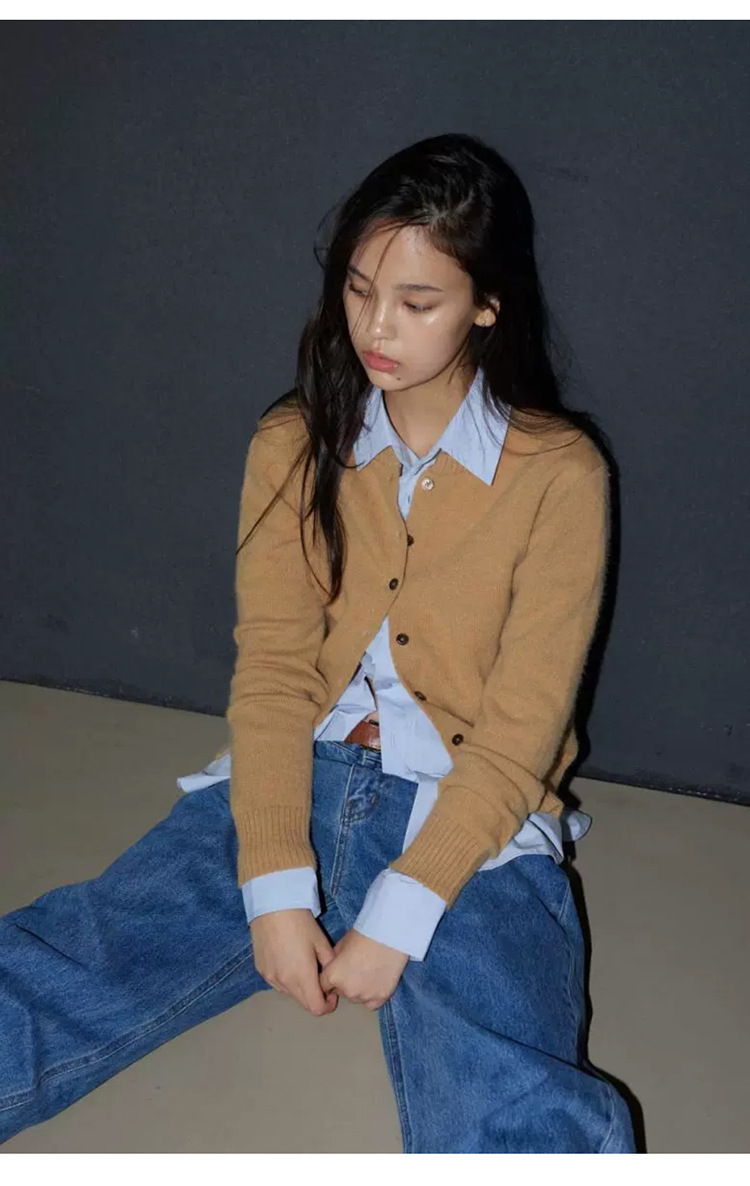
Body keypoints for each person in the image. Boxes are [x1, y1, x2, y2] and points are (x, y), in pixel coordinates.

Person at [0, 132, 636, 1153]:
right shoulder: (294, 442)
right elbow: (273, 674)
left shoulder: (559, 474)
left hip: (474, 821)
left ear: (487, 303)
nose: (375, 328)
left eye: (417, 302)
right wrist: (273, 880)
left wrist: (406, 907)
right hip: (291, 777)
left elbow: (522, 729)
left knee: (508, 1095)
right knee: (61, 971)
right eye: (358, 288)